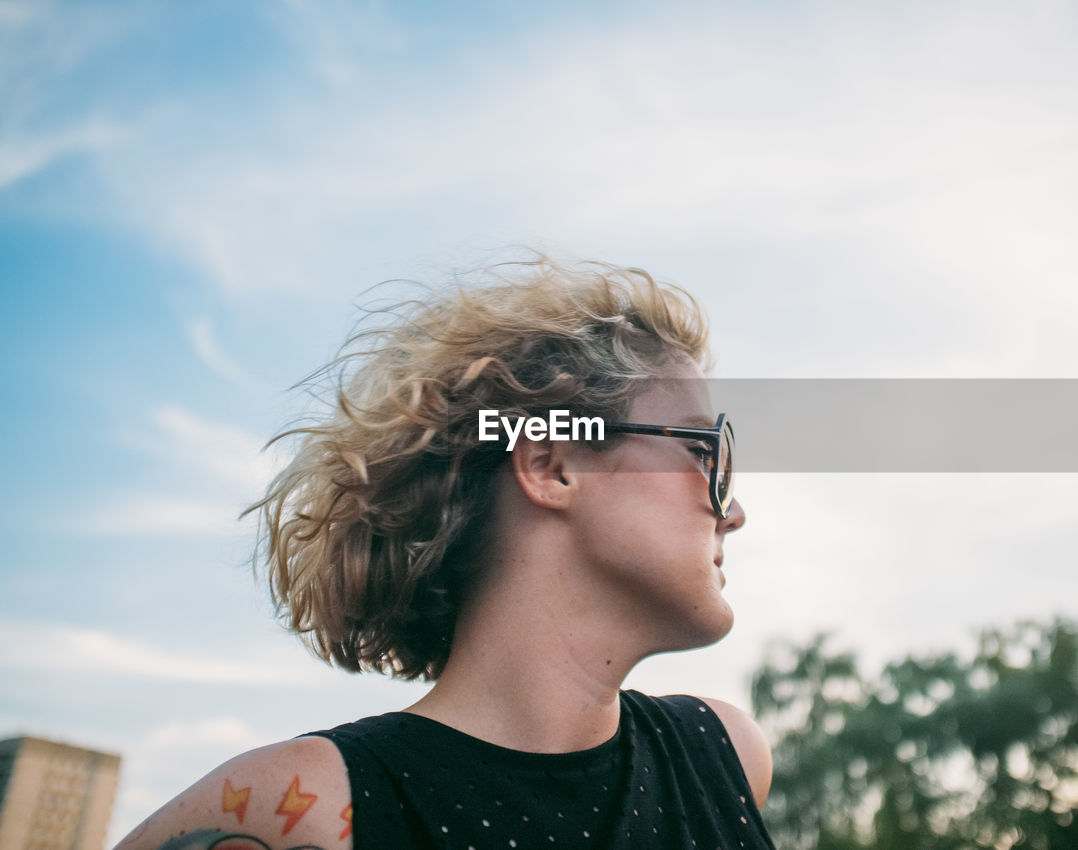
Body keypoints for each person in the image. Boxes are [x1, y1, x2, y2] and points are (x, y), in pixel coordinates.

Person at [116, 257, 773, 849]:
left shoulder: (724, 758)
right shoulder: (299, 810)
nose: (733, 511)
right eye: (701, 450)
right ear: (551, 464)